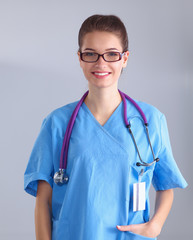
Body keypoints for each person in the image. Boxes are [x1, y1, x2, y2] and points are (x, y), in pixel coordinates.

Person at [24, 14, 187, 240]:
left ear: (125, 58)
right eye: (90, 54)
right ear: (80, 58)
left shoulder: (151, 120)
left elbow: (166, 185)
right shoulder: (57, 123)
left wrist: (155, 226)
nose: (101, 63)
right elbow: (43, 199)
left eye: (111, 54)